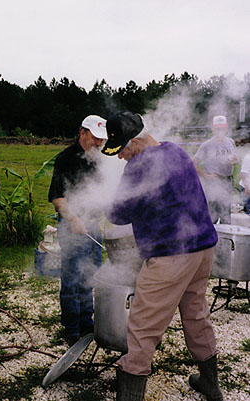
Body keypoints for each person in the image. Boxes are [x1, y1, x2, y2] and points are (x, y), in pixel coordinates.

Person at [101, 111, 222, 401]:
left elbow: (118, 214)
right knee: (196, 313)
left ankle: (129, 396)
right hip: (202, 248)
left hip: (171, 256)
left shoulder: (140, 165)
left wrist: (106, 204)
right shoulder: (176, 150)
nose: (120, 158)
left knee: (143, 326)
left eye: (121, 151)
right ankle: (211, 385)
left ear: (135, 142)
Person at [48, 115, 107, 347]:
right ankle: (71, 329)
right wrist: (73, 218)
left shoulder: (98, 160)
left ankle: (86, 323)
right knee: (72, 279)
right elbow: (57, 196)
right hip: (72, 226)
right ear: (82, 133)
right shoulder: (65, 159)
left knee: (90, 275)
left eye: (102, 140)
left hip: (93, 226)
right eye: (95, 139)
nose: (99, 144)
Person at [193, 115, 239, 224]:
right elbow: (194, 163)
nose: (220, 131)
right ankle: (209, 238)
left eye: (222, 128)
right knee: (212, 212)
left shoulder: (230, 142)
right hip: (213, 182)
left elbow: (235, 159)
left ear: (226, 128)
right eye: (218, 129)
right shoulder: (207, 145)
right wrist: (206, 175)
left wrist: (235, 161)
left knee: (226, 212)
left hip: (227, 181)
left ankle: (226, 238)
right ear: (213, 129)